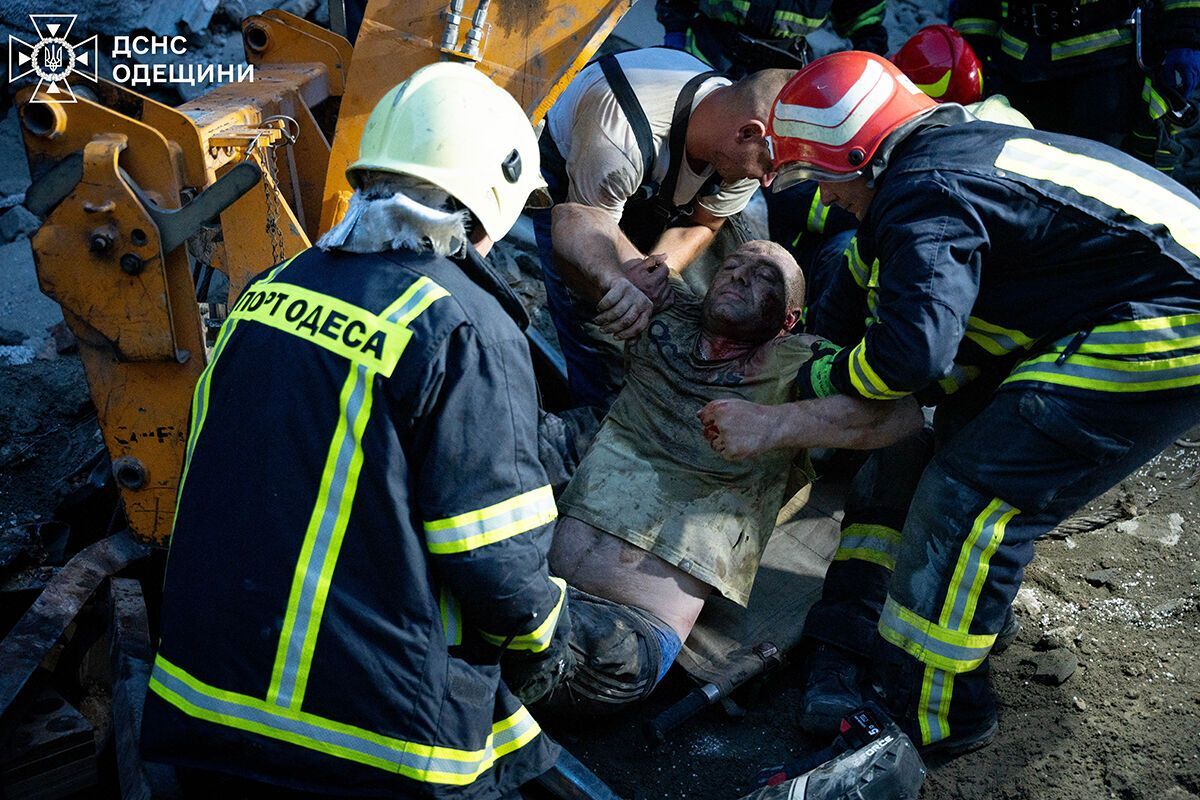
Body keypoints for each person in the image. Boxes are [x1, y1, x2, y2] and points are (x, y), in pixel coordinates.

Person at [703, 52, 1200, 757]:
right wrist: (814, 361)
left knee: (971, 496)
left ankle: (930, 718)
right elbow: (874, 315)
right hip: (1136, 291)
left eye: (823, 178)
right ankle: (919, 629)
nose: (824, 196)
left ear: (860, 156)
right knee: (942, 445)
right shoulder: (932, 166)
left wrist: (812, 389)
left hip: (1170, 314)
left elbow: (910, 359)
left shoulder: (923, 195)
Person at [141, 63, 571, 798]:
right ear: (487, 197)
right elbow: (492, 554)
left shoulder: (269, 292)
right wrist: (548, 635)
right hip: (371, 747)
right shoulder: (463, 325)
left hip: (202, 713)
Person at [534, 211, 922, 712]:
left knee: (487, 640)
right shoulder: (668, 314)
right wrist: (617, 280)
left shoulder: (799, 363)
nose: (741, 273)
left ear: (788, 320)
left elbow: (904, 417)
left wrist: (774, 426)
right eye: (734, 265)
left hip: (622, 638)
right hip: (537, 583)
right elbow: (575, 217)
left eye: (766, 277)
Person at [532, 47, 794, 409]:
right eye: (769, 165)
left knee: (677, 300)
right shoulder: (620, 132)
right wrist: (619, 283)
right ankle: (594, 410)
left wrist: (659, 271)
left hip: (656, 186)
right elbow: (580, 227)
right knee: (597, 317)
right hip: (583, 186)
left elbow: (705, 223)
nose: (767, 181)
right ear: (749, 133)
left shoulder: (749, 148)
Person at [951, 0, 1200, 171]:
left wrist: (1186, 34)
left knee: (1108, 192)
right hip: (1017, 71)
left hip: (1108, 68)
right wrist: (972, 49)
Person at [656, 0, 889, 76]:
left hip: (781, 66)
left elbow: (862, 15)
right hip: (706, 48)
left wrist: (869, 47)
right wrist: (674, 29)